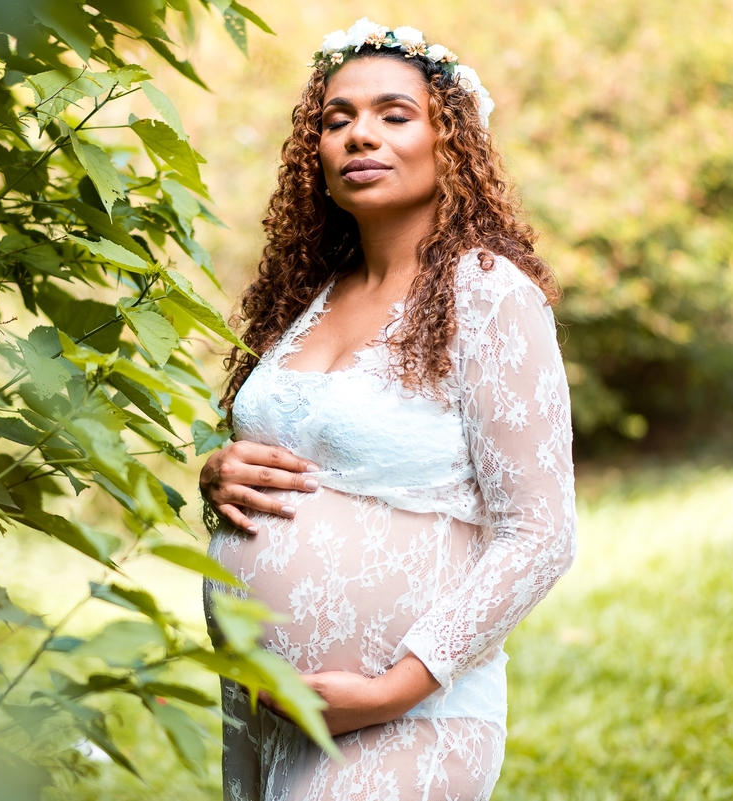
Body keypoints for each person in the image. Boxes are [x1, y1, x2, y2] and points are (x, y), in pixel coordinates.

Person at [199, 18, 577, 801]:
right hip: (268, 714)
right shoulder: (310, 297)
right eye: (336, 120)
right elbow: (293, 459)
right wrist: (219, 473)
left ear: (451, 142)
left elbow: (542, 532)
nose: (359, 136)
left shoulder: (488, 294)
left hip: (410, 715)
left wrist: (395, 688)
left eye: (393, 115)